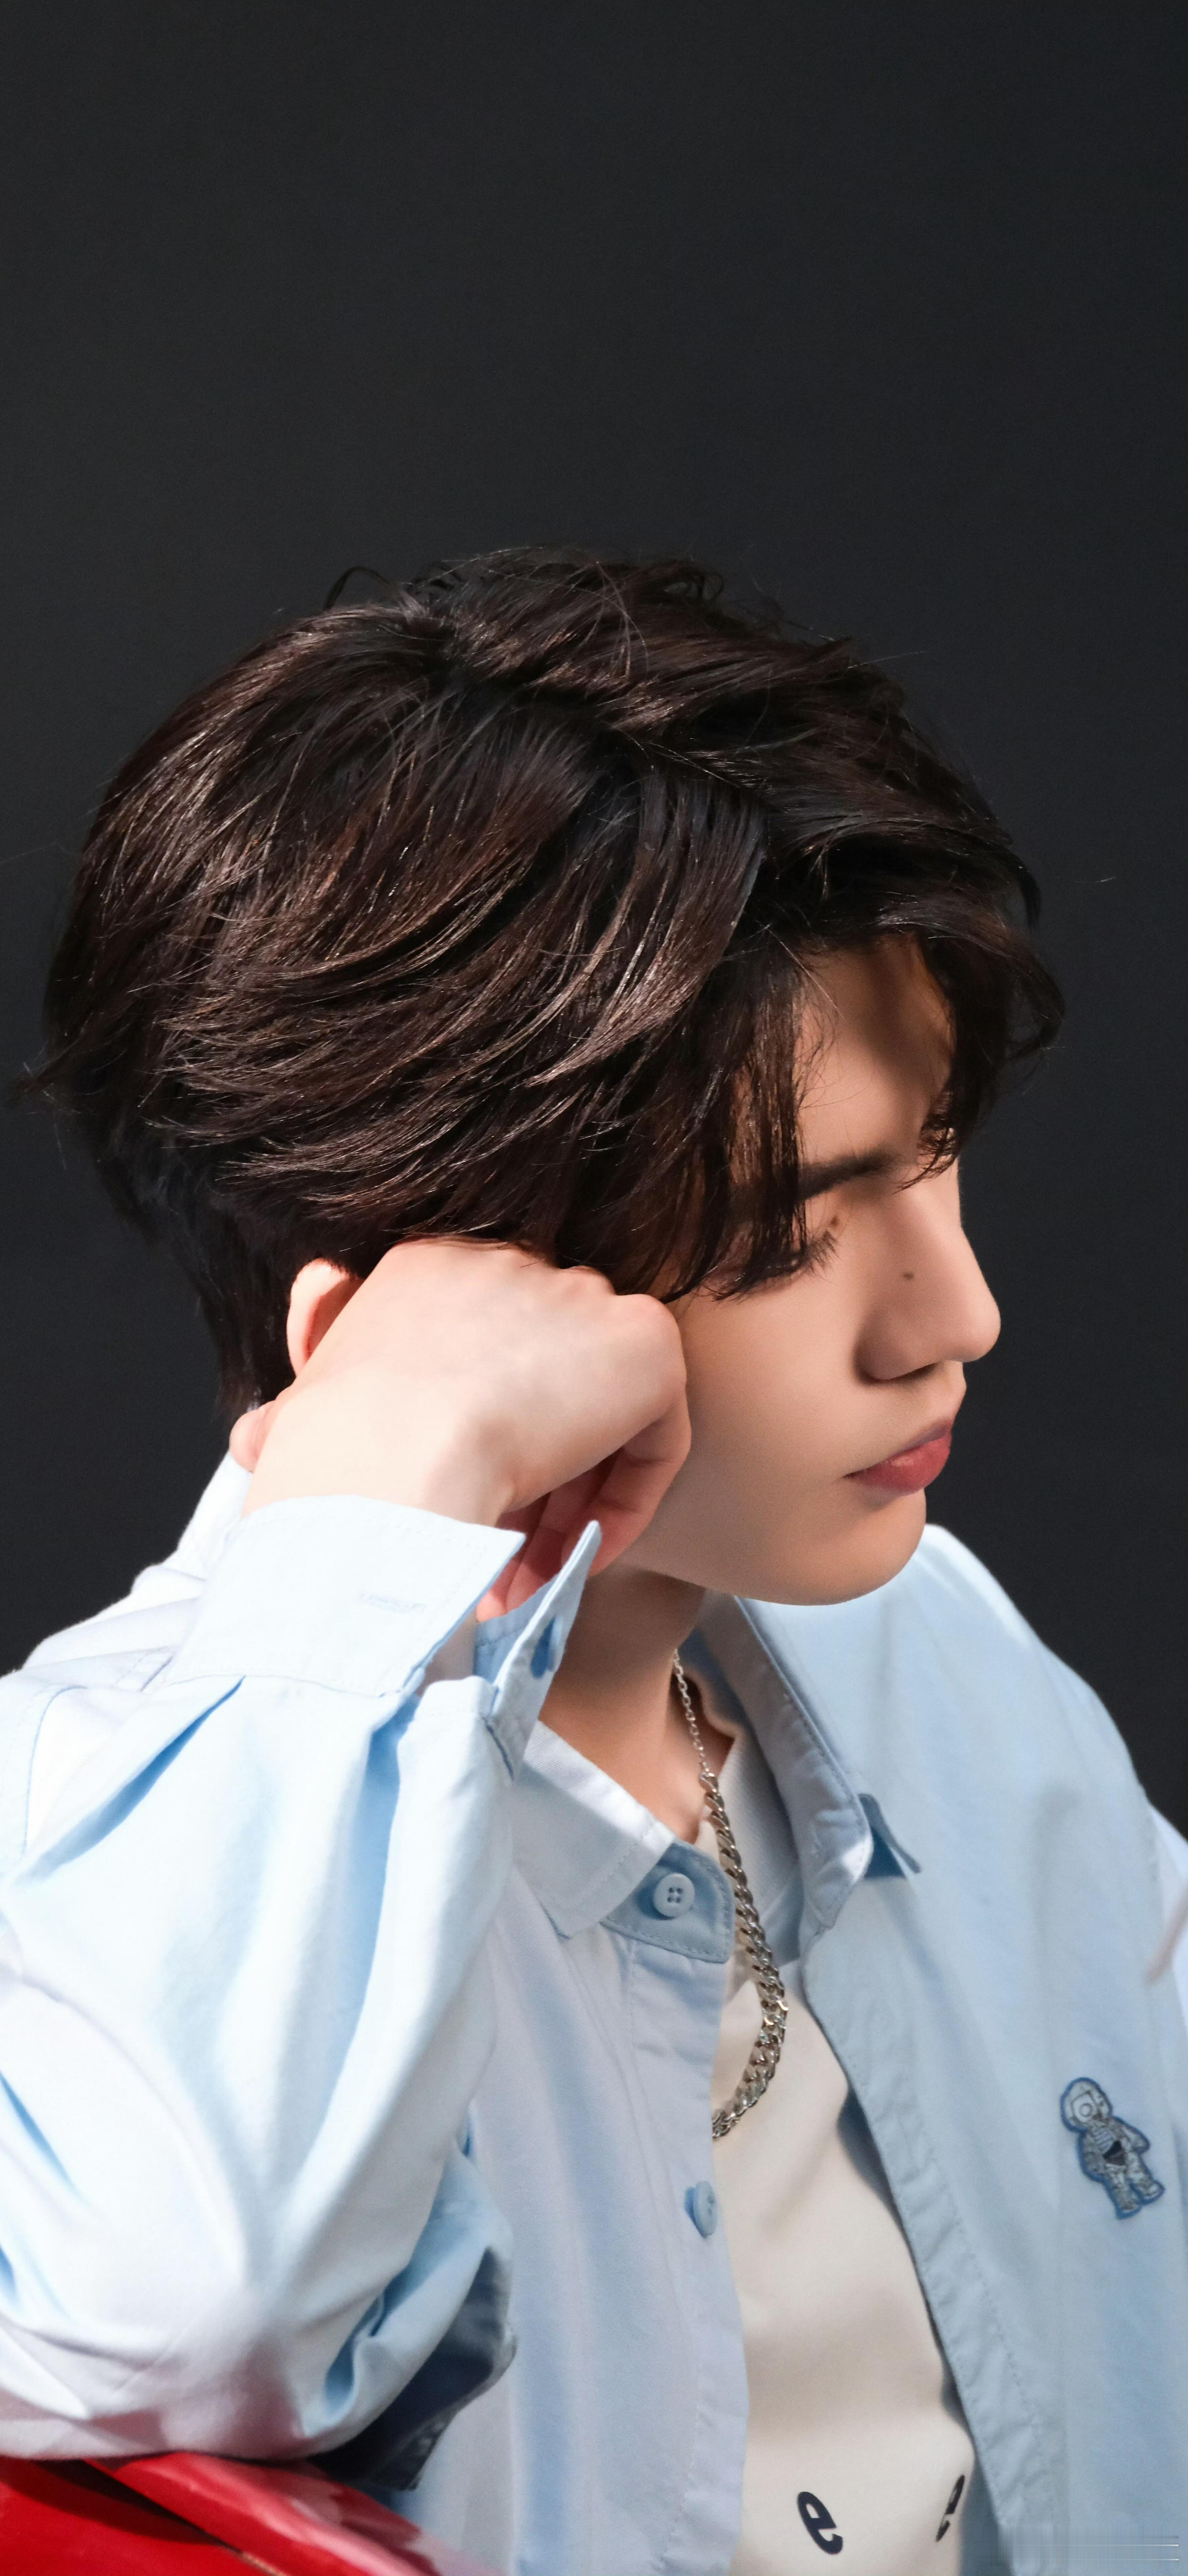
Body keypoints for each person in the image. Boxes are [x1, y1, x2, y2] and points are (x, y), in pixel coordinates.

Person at [2, 552, 1185, 2576]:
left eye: (936, 1154)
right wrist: (376, 1496)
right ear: (420, 1292)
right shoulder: (78, 1826)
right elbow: (181, 2315)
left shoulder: (931, 1643)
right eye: (797, 1230)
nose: (956, 1315)